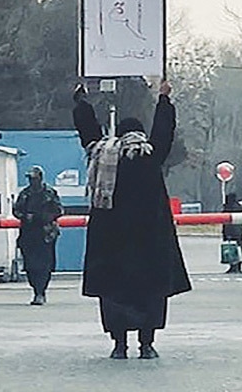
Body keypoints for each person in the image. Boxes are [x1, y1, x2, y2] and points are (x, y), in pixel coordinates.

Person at [72, 81, 191, 360]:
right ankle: (146, 344)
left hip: (111, 244)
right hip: (149, 243)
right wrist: (164, 100)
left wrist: (81, 103)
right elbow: (164, 132)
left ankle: (119, 344)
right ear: (140, 133)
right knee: (149, 292)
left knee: (115, 293)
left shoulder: (102, 154)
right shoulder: (150, 155)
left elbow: (88, 132)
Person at [13, 166, 63, 306]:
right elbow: (16, 210)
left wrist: (45, 217)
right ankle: (36, 289)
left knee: (44, 265)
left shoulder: (50, 193)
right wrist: (25, 216)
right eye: (30, 179)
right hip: (28, 233)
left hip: (45, 233)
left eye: (34, 178)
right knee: (30, 265)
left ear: (40, 178)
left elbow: (59, 210)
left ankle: (40, 292)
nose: (32, 181)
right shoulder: (25, 194)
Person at [221, 192, 242, 274]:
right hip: (238, 231)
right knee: (237, 249)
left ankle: (234, 266)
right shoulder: (238, 207)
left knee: (232, 249)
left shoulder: (229, 207)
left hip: (232, 231)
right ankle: (236, 266)